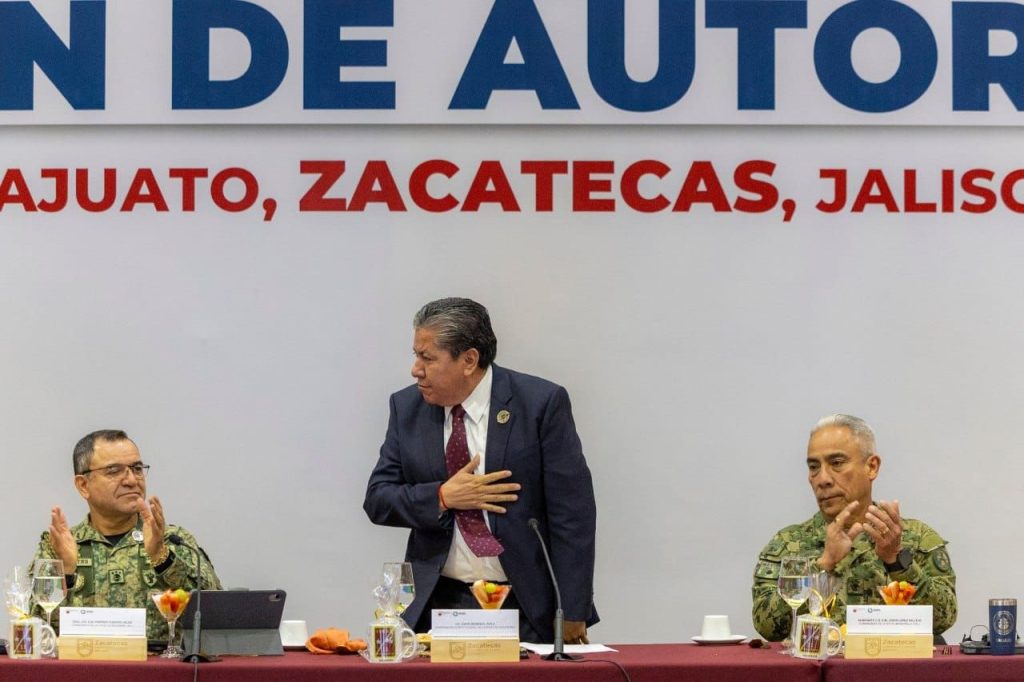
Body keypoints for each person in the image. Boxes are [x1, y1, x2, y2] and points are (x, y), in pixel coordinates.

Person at [364, 297, 598, 643]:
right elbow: (378, 499)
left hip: (526, 604)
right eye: (416, 355)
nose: (416, 369)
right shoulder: (407, 407)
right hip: (439, 600)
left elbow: (573, 514)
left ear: (469, 360)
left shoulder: (539, 404)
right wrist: (442, 496)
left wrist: (574, 609)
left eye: (428, 358)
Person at [752, 414, 957, 641]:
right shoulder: (788, 543)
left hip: (893, 662)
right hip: (820, 662)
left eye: (837, 463)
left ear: (871, 467)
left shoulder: (916, 538)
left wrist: (896, 561)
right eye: (814, 467)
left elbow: (943, 619)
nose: (823, 479)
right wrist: (823, 566)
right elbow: (767, 628)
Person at [29, 429, 222, 640]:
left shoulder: (173, 540)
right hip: (82, 660)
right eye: (114, 471)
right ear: (83, 485)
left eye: (137, 469)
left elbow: (217, 616)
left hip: (157, 661)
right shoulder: (58, 546)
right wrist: (66, 573)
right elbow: (35, 632)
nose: (131, 480)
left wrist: (163, 558)